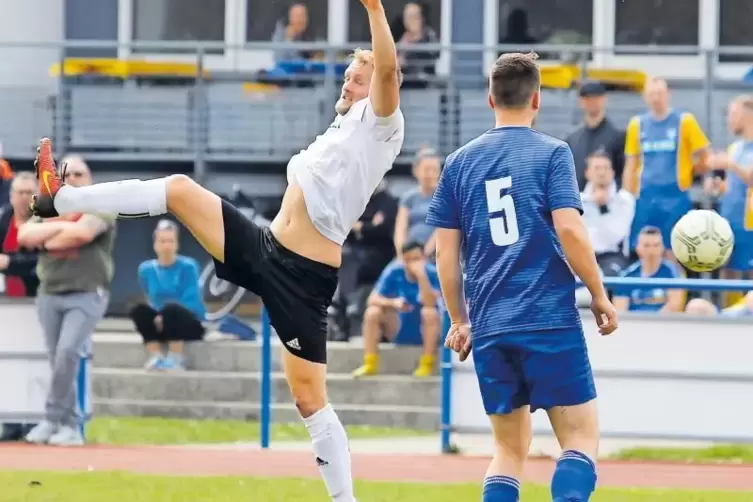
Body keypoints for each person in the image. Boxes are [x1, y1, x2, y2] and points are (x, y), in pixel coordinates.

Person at [30, 0, 402, 497]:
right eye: (348, 77)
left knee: (309, 401)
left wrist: (375, 8)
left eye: (357, 79)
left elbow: (389, 70)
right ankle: (62, 198)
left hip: (303, 279)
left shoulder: (381, 124)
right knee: (180, 189)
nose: (347, 85)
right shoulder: (339, 126)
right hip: (265, 245)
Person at [426, 52, 617, 502]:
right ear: (537, 99)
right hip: (547, 318)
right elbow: (570, 229)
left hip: (491, 325)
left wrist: (459, 319)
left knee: (509, 450)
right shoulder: (553, 152)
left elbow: (445, 255)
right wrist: (599, 294)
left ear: (490, 98)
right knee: (579, 441)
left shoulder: (458, 163)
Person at [18, 155, 116, 446]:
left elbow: (83, 233)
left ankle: (55, 419)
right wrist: (60, 233)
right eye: (68, 174)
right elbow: (24, 234)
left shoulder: (102, 205)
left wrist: (48, 238)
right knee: (58, 359)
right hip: (49, 293)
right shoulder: (48, 206)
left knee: (67, 353)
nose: (73, 179)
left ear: (89, 178)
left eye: (79, 174)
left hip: (87, 293)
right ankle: (66, 423)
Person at [622, 77, 710, 255]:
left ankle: (676, 283)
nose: (656, 98)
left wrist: (694, 171)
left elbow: (704, 153)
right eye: (652, 94)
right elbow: (631, 163)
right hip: (646, 197)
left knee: (674, 252)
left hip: (675, 197)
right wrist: (626, 195)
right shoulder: (637, 124)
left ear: (669, 94)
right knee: (644, 249)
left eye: (660, 93)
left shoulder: (684, 121)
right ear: (645, 97)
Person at [351, 241, 441, 378]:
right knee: (372, 312)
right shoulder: (393, 271)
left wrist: (422, 277)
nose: (414, 264)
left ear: (424, 258)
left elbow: (430, 302)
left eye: (417, 259)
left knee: (429, 313)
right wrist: (393, 303)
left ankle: (427, 363)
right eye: (409, 260)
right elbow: (372, 299)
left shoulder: (433, 273)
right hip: (399, 325)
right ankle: (370, 363)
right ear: (403, 260)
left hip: (424, 330)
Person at [131, 219, 206, 371]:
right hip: (162, 324)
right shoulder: (145, 269)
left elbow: (192, 299)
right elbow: (150, 297)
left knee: (172, 309)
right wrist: (158, 316)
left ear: (177, 244)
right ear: (155, 244)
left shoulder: (189, 266)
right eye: (162, 241)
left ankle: (177, 358)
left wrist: (164, 315)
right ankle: (156, 356)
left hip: (188, 323)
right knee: (139, 310)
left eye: (171, 241)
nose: (167, 245)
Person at [705, 96, 753, 295]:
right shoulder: (736, 147)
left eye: (734, 114)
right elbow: (735, 185)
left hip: (749, 225)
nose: (729, 120)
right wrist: (718, 186)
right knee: (728, 275)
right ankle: (728, 319)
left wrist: (730, 164)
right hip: (729, 223)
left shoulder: (734, 155)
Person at [580, 152, 634, 277]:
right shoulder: (577, 201)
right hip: (583, 256)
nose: (601, 172)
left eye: (606, 168)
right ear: (587, 173)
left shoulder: (625, 200)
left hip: (612, 256)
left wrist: (602, 207)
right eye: (597, 168)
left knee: (608, 277)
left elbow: (614, 236)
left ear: (613, 173)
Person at [564, 81, 626, 191]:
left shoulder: (617, 137)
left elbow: (623, 173)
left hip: (607, 202)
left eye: (595, 98)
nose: (591, 102)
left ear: (604, 99)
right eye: (587, 98)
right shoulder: (573, 138)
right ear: (580, 101)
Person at [612, 226, 685, 314]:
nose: (651, 250)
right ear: (637, 248)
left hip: (663, 324)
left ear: (662, 248)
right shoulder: (626, 277)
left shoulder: (672, 272)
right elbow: (620, 310)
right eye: (646, 246)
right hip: (633, 324)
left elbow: (674, 306)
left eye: (656, 245)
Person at [393, 149, 441, 258]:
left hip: (435, 254)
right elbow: (400, 229)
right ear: (416, 170)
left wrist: (425, 253)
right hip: (409, 253)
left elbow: (442, 229)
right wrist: (402, 254)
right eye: (426, 169)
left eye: (435, 170)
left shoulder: (445, 197)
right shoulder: (409, 197)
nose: (430, 174)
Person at [0, 172, 40, 297]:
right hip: (7, 293)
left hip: (37, 291)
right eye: (20, 192)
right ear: (11, 196)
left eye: (29, 192)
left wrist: (11, 262)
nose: (24, 197)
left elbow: (47, 259)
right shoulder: (3, 219)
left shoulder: (47, 220)